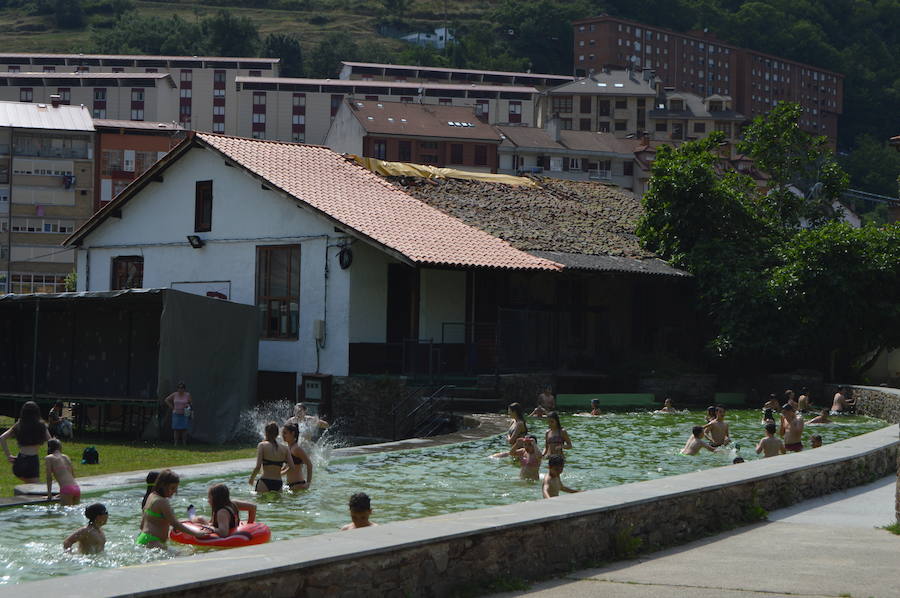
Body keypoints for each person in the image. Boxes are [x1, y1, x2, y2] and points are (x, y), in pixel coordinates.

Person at [137, 469, 207, 548]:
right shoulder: (162, 502)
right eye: (172, 488)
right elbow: (175, 524)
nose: (175, 491)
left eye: (176, 488)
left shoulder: (151, 496)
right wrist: (196, 533)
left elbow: (142, 525)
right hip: (153, 542)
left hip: (144, 538)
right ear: (163, 485)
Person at [1, 401, 51, 483]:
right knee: (34, 489)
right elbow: (51, 442)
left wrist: (8, 455)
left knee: (28, 487)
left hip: (19, 460)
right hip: (32, 461)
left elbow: (2, 438)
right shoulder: (41, 425)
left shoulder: (19, 424)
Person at [191, 483, 257, 538]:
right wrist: (249, 524)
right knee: (201, 519)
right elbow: (253, 507)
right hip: (230, 526)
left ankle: (191, 518)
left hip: (225, 533)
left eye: (209, 497)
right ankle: (192, 517)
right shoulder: (233, 503)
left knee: (200, 519)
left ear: (216, 499)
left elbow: (224, 533)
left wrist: (208, 527)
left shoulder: (222, 512)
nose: (208, 501)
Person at [249, 421, 294, 493]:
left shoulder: (262, 445)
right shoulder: (285, 448)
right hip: (278, 482)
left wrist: (251, 479)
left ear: (266, 433)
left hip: (264, 481)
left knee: (261, 503)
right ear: (277, 433)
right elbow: (292, 467)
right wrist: (281, 473)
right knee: (277, 504)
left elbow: (258, 467)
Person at [45, 439, 80, 505]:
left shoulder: (49, 458)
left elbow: (49, 477)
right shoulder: (66, 457)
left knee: (65, 513)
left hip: (66, 490)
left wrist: (49, 495)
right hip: (76, 488)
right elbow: (72, 475)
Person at [281, 423, 314, 491]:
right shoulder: (288, 448)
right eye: (282, 433)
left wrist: (308, 483)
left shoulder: (297, 448)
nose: (283, 435)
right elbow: (287, 466)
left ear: (292, 433)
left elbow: (309, 464)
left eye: (285, 433)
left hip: (298, 485)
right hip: (290, 486)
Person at [163, 382, 192, 446]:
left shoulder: (187, 395)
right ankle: (175, 443)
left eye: (182, 388)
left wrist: (188, 410)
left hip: (185, 413)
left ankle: (184, 443)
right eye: (179, 388)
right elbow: (166, 400)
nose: (180, 389)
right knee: (176, 429)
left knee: (184, 429)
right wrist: (172, 407)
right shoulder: (174, 394)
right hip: (176, 413)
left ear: (184, 389)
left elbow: (190, 403)